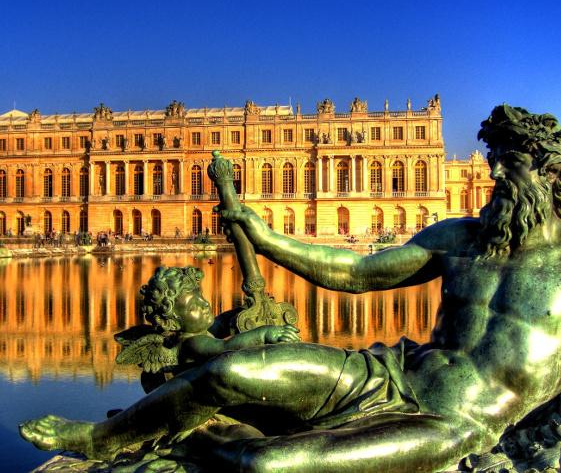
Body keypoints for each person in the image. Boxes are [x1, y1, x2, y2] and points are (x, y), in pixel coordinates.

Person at [19, 105, 561, 472]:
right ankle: (99, 439)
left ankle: (202, 440)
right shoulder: (464, 236)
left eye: (509, 166)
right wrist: (265, 237)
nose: (493, 176)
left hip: (455, 422)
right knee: (229, 370)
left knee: (270, 465)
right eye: (492, 163)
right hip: (394, 372)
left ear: (550, 173)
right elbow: (355, 273)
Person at [114, 266, 300, 393]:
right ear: (172, 324)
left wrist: (244, 311)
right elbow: (225, 347)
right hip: (204, 400)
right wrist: (264, 333)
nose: (204, 305)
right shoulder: (193, 343)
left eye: (200, 297)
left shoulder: (199, 330)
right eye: (193, 307)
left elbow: (223, 321)